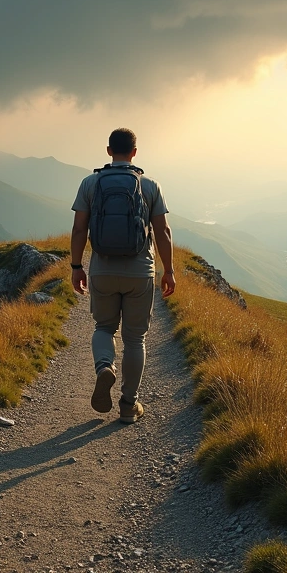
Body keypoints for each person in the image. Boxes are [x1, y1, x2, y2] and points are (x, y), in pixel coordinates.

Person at [70, 128, 176, 424]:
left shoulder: (90, 183)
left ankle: (105, 367)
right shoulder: (150, 185)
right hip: (141, 273)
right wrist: (168, 271)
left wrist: (76, 266)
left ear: (108, 151)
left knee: (104, 327)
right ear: (134, 152)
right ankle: (128, 405)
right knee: (135, 339)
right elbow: (163, 232)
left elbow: (79, 229)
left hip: (103, 271)